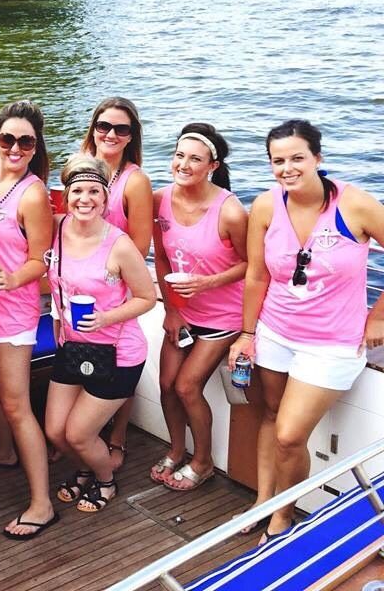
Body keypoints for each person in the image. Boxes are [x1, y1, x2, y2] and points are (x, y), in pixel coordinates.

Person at [228, 119, 384, 544]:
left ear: (318, 158)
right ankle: (263, 500)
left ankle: (283, 515)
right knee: (270, 415)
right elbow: (257, 275)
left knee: (289, 434)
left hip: (331, 343)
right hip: (275, 331)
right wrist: (247, 333)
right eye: (278, 161)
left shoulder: (355, 205)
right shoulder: (266, 205)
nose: (287, 168)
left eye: (297, 158)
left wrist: (378, 317)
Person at [44, 153, 155, 512]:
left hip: (118, 353)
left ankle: (105, 481)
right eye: (77, 191)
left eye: (94, 192)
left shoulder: (119, 244)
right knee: (55, 431)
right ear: (66, 196)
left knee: (78, 433)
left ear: (106, 199)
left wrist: (106, 318)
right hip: (73, 346)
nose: (85, 199)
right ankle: (84, 469)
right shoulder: (56, 229)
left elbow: (147, 297)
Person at [0, 100, 56, 539]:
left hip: (12, 310)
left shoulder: (34, 193)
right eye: (8, 139)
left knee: (17, 405)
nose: (15, 148)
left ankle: (42, 503)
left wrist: (12, 277)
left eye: (26, 141)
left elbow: (41, 259)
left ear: (36, 147)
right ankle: (4, 451)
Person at [152, 123, 247, 491]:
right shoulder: (160, 200)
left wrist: (207, 282)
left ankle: (203, 461)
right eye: (179, 155)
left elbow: (253, 265)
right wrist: (171, 310)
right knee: (165, 384)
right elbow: (162, 258)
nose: (184, 164)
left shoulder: (230, 211)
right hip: (183, 313)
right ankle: (177, 450)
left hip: (223, 316)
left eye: (195, 159)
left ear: (212, 166)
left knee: (187, 387)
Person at [75, 96, 153, 470]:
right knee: (82, 353)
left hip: (116, 282)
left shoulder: (134, 181)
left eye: (121, 129)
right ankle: (83, 430)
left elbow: (141, 244)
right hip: (80, 281)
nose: (110, 134)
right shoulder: (80, 166)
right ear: (93, 129)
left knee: (120, 354)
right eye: (104, 126)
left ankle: (118, 435)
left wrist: (109, 265)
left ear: (131, 136)